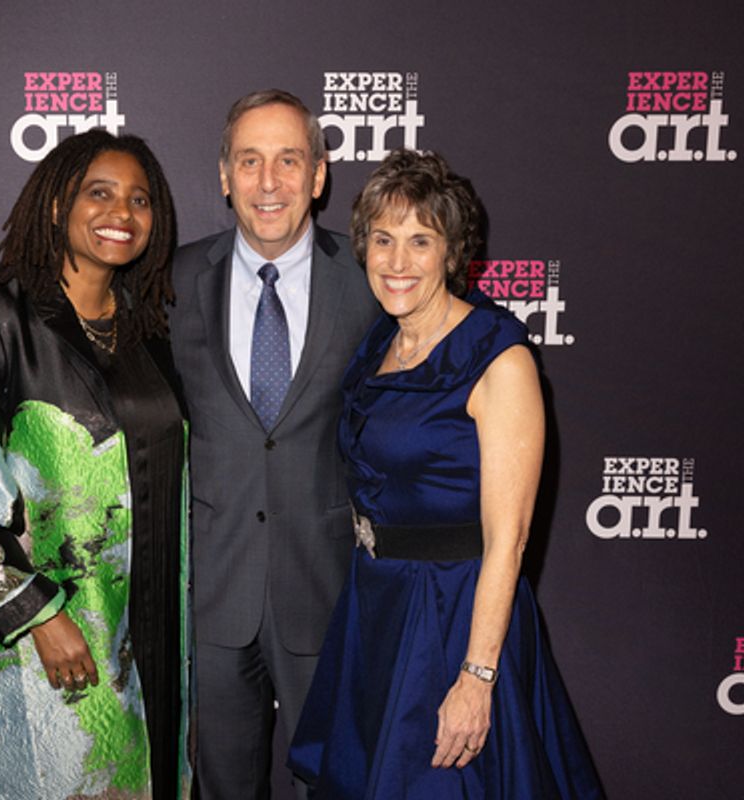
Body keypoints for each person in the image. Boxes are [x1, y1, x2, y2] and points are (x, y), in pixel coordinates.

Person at [288, 149, 603, 798]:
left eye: (419, 241)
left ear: (452, 252)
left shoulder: (497, 356)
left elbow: (510, 538)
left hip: (454, 616)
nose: (397, 261)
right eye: (382, 239)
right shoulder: (381, 343)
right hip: (377, 607)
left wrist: (477, 676)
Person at [0, 129, 191, 799]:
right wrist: (40, 615)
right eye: (99, 193)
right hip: (49, 642)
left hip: (153, 632)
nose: (121, 214)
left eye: (140, 199)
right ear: (55, 206)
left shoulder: (149, 326)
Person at [168, 89, 380, 800]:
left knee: (338, 784)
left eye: (288, 160)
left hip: (326, 587)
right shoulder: (169, 282)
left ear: (319, 175)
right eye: (250, 161)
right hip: (212, 598)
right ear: (223, 175)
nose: (269, 183)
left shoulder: (374, 278)